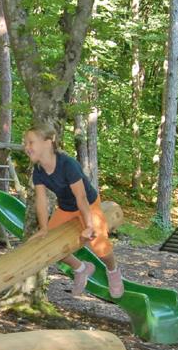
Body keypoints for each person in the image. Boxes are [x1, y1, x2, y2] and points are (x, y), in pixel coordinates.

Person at [23, 126, 125, 300]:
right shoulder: (39, 171)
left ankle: (113, 271)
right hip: (66, 208)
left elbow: (81, 197)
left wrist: (90, 226)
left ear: (48, 143)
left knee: (100, 245)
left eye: (30, 142)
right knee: (49, 244)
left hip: (89, 204)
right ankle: (82, 268)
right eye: (25, 143)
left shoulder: (67, 164)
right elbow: (41, 201)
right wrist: (44, 228)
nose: (26, 147)